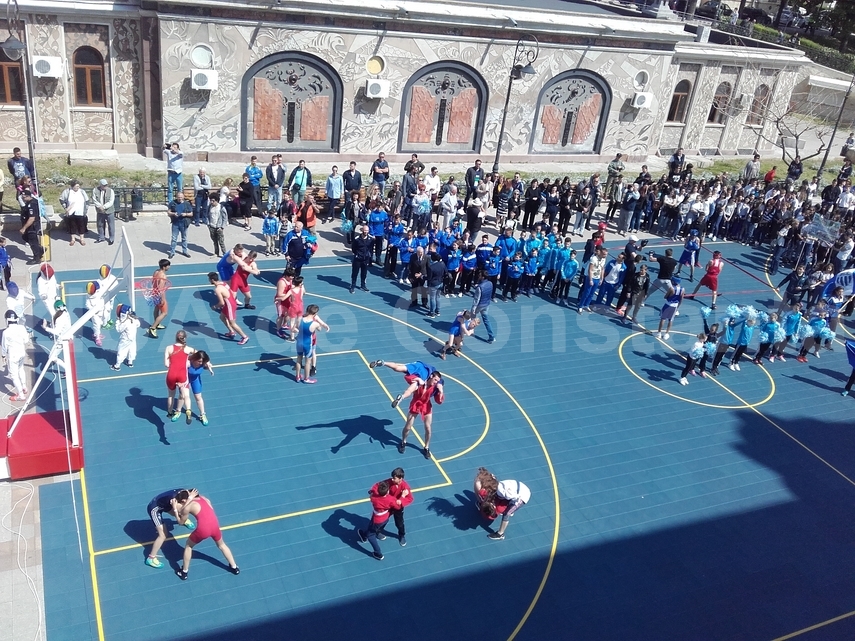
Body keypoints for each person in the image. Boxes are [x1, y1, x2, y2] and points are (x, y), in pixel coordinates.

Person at [376, 362, 444, 459]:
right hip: (416, 404)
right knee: (408, 427)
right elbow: (409, 378)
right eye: (435, 380)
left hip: (426, 405)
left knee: (428, 428)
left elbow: (439, 401)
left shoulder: (436, 388)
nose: (436, 382)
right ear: (431, 376)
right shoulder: (421, 380)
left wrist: (441, 391)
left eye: (438, 381)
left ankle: (426, 447)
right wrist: (416, 379)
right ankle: (403, 442)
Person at [173, 491, 240, 580]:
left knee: (188, 546)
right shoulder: (204, 498)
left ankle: (184, 572)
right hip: (215, 525)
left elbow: (181, 522)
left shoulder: (188, 507)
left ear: (184, 501)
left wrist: (175, 509)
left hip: (203, 529)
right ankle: (234, 567)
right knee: (222, 545)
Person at [144, 487, 199, 569]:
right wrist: (181, 520)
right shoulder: (174, 500)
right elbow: (181, 510)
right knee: (163, 535)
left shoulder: (183, 492)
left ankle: (184, 519)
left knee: (180, 511)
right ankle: (151, 558)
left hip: (165, 504)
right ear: (185, 499)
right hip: (155, 509)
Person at [356, 480, 400, 561]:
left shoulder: (374, 498)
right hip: (385, 517)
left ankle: (378, 553)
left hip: (377, 518)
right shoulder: (391, 499)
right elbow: (397, 507)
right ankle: (365, 536)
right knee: (372, 528)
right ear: (387, 492)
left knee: (371, 535)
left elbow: (372, 493)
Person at [373, 468, 412, 547]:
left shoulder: (405, 487)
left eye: (394, 478)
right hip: (389, 505)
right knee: (383, 520)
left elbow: (410, 498)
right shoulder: (389, 482)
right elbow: (378, 485)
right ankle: (378, 531)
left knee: (399, 523)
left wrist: (401, 499)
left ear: (400, 478)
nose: (392, 479)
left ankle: (401, 535)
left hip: (398, 508)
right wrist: (372, 490)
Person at [208, 272, 249, 345]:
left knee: (233, 323)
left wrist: (214, 307)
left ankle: (244, 337)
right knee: (222, 317)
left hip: (229, 305)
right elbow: (230, 293)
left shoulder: (218, 289)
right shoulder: (223, 284)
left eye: (209, 279)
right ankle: (231, 332)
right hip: (231, 302)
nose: (209, 281)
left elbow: (221, 303)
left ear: (212, 280)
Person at [165, 329, 194, 423]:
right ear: (185, 338)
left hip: (171, 374)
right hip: (182, 375)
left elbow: (166, 364)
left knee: (171, 395)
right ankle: (188, 410)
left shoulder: (169, 348)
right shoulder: (187, 349)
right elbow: (199, 354)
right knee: (185, 394)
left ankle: (169, 413)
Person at [295, 304, 329, 384]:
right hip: (307, 344)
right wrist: (320, 324)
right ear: (315, 314)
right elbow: (320, 329)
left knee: (298, 359)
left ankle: (297, 376)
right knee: (307, 362)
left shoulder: (300, 319)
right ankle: (306, 378)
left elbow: (295, 328)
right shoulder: (315, 324)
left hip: (299, 342)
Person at [2, 310, 30, 402]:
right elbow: (26, 340)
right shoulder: (22, 328)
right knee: (21, 369)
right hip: (22, 352)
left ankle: (21, 395)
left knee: (14, 375)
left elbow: (4, 346)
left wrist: (3, 356)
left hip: (13, 356)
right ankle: (24, 386)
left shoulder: (6, 332)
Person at [187, 351, 213, 426]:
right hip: (186, 380)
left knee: (198, 397)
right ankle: (178, 411)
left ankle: (203, 414)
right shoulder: (188, 361)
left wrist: (209, 369)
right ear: (195, 359)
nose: (201, 363)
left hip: (195, 380)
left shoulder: (204, 363)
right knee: (183, 396)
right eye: (199, 361)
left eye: (202, 361)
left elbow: (207, 366)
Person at [147, 259, 171, 339]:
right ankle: (153, 328)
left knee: (156, 308)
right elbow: (161, 288)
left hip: (154, 293)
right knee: (164, 313)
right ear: (164, 267)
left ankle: (156, 323)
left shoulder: (156, 272)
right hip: (159, 295)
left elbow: (153, 282)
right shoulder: (163, 276)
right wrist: (162, 299)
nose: (169, 267)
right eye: (168, 265)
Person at [111, 304, 139, 371]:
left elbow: (119, 329)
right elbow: (138, 324)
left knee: (122, 351)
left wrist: (118, 321)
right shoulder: (134, 319)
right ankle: (130, 362)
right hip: (133, 337)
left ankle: (117, 366)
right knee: (132, 349)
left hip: (125, 339)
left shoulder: (126, 322)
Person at [19, 189, 44, 264]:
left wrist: (24, 228)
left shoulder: (32, 205)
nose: (23, 199)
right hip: (30, 225)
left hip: (32, 226)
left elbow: (31, 218)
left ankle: (37, 258)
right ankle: (40, 250)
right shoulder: (29, 202)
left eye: (24, 197)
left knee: (33, 242)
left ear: (28, 196)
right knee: (25, 237)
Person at [471, 270, 495, 343]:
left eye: (480, 275)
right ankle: (491, 336)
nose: (478, 276)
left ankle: (469, 330)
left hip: (480, 305)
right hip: (486, 304)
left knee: (472, 317)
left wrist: (473, 309)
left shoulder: (480, 287)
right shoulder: (490, 283)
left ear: (483, 277)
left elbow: (476, 299)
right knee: (486, 320)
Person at [167, 190, 192, 259]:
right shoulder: (172, 203)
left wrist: (185, 214)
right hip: (175, 223)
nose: (180, 198)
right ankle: (172, 252)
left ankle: (185, 251)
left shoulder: (187, 204)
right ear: (176, 197)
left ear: (183, 197)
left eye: (181, 197)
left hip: (184, 223)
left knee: (184, 238)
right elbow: (168, 212)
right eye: (178, 197)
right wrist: (173, 213)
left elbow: (191, 214)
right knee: (174, 238)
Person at [64, 180, 89, 246]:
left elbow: (87, 201)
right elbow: (62, 199)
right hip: (71, 212)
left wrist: (85, 210)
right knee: (72, 225)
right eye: (76, 186)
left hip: (80, 211)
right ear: (72, 186)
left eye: (78, 186)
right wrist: (65, 208)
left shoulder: (82, 191)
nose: (78, 187)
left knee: (81, 225)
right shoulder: (67, 192)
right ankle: (73, 239)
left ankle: (82, 239)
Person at [350, 224, 373, 294]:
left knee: (364, 273)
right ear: (362, 230)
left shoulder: (370, 239)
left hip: (365, 259)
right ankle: (353, 286)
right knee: (355, 273)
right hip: (358, 259)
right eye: (365, 230)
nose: (366, 232)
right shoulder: (357, 239)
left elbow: (370, 248)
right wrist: (357, 254)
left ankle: (363, 285)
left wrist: (368, 256)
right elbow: (353, 248)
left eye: (367, 230)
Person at [92, 179, 116, 244]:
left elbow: (111, 201)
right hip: (100, 211)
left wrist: (104, 207)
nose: (105, 186)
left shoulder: (111, 191)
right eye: (104, 185)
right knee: (100, 225)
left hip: (109, 211)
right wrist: (99, 206)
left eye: (106, 185)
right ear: (100, 185)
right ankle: (101, 237)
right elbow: (94, 199)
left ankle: (111, 238)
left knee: (111, 225)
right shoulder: (95, 190)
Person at [427, 251, 447, 317]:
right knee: (438, 297)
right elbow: (445, 273)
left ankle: (432, 312)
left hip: (433, 284)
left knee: (432, 298)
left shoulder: (431, 267)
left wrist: (422, 276)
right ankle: (437, 311)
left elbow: (429, 278)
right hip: (440, 282)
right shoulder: (442, 264)